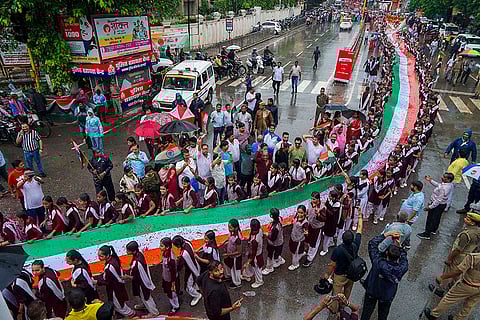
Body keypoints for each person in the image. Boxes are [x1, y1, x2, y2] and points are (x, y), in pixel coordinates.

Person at [360, 234, 408, 320]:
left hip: (372, 290)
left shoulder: (378, 262)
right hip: (387, 295)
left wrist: (385, 235)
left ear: (386, 253)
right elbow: (404, 261)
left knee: (366, 313)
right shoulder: (401, 268)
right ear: (398, 257)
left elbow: (372, 244)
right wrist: (400, 247)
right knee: (383, 315)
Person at [423, 250, 480, 320]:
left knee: (449, 298)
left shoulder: (473, 257)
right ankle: (458, 319)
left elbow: (458, 271)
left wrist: (443, 277)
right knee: (469, 305)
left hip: (467, 285)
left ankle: (434, 314)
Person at [325, 215, 363, 300]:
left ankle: (334, 309)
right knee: (348, 290)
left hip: (340, 274)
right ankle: (343, 306)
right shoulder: (355, 244)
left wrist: (327, 274)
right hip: (352, 273)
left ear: (342, 239)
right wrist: (360, 215)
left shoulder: (337, 250)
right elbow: (359, 228)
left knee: (336, 293)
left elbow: (332, 264)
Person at [95, 245, 136, 318]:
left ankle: (130, 313)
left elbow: (107, 281)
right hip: (118, 284)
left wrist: (96, 282)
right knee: (118, 301)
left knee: (118, 302)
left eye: (101, 256)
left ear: (107, 255)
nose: (99, 258)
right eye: (99, 255)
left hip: (114, 287)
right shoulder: (113, 259)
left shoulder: (109, 268)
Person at [122, 241, 159, 317]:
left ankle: (154, 312)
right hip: (141, 281)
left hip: (142, 283)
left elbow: (136, 277)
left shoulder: (137, 263)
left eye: (128, 250)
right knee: (142, 295)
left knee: (146, 297)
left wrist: (127, 277)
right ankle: (144, 305)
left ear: (134, 251)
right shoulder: (139, 254)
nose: (126, 252)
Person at [417, 173, 454, 240]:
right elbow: (438, 185)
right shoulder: (449, 185)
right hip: (442, 204)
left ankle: (427, 234)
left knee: (431, 219)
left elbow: (438, 200)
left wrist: (430, 207)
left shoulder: (443, 188)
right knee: (437, 218)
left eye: (444, 177)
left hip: (437, 205)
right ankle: (433, 230)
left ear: (448, 179)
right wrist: (430, 180)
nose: (442, 177)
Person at [172, 235, 202, 306]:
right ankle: (197, 288)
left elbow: (179, 267)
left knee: (188, 287)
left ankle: (197, 295)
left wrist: (177, 262)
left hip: (191, 270)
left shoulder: (184, 254)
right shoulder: (187, 242)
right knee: (194, 281)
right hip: (196, 265)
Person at [159, 237, 180, 313]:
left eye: (161, 246)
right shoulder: (166, 253)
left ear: (167, 247)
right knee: (171, 292)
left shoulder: (170, 259)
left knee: (171, 293)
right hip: (166, 277)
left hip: (170, 280)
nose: (160, 247)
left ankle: (175, 306)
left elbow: (173, 273)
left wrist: (173, 284)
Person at [242, 218, 264, 288]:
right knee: (251, 267)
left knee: (257, 269)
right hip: (255, 253)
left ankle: (259, 281)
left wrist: (247, 262)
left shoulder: (255, 240)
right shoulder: (259, 230)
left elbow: (253, 254)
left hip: (256, 256)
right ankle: (246, 275)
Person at [223, 218, 243, 288]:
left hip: (236, 257)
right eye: (228, 227)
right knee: (231, 268)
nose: (229, 229)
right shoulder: (231, 234)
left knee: (236, 270)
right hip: (231, 255)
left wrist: (227, 254)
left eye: (230, 228)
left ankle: (237, 282)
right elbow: (229, 240)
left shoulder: (238, 238)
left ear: (236, 227)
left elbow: (239, 251)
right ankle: (231, 277)